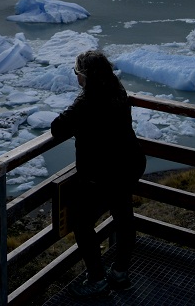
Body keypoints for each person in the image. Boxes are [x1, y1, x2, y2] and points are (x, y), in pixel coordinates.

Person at [50, 49, 146, 298]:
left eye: (77, 73)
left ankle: (97, 278)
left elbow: (58, 128)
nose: (76, 78)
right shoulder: (118, 91)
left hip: (102, 174)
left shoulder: (88, 100)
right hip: (128, 165)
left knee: (82, 224)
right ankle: (120, 272)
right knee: (124, 216)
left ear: (85, 75)